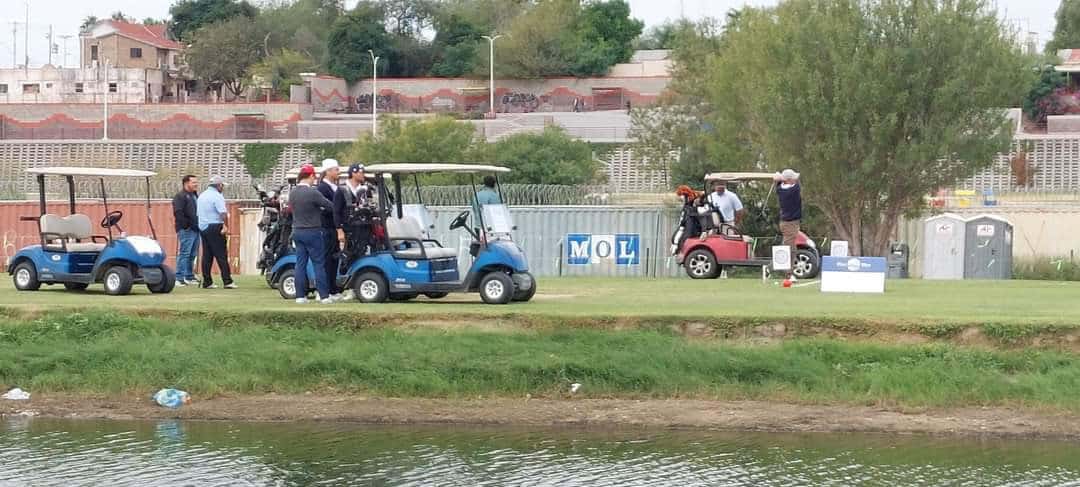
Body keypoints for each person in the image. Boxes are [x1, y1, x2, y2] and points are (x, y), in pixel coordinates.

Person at [291, 164, 337, 304]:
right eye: (314, 177)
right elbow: (330, 206)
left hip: (297, 231)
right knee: (319, 264)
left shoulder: (293, 192)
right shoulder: (313, 192)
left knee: (300, 264)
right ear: (310, 176)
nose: (314, 180)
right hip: (313, 231)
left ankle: (300, 296)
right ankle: (324, 296)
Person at [334, 163, 375, 273]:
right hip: (349, 229)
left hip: (364, 227)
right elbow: (336, 212)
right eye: (361, 172)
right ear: (353, 173)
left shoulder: (365, 189)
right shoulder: (342, 190)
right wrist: (339, 230)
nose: (363, 175)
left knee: (364, 252)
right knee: (349, 254)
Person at [196, 175, 235, 289]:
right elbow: (223, 213)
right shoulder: (217, 196)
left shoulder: (202, 196)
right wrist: (226, 227)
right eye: (222, 186)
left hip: (203, 227)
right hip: (215, 226)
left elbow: (198, 213)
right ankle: (227, 281)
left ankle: (207, 281)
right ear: (219, 185)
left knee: (207, 255)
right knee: (221, 254)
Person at [316, 158, 343, 297]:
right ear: (328, 171)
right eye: (336, 169)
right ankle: (325, 289)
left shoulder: (336, 187)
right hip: (326, 227)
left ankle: (333, 288)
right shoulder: (322, 188)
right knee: (327, 259)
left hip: (334, 227)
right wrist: (337, 209)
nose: (338, 172)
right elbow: (324, 208)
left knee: (334, 258)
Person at [774, 168, 802, 280]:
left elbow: (779, 183)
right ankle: (788, 274)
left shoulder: (780, 189)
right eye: (793, 178)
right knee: (790, 248)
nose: (795, 179)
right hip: (789, 223)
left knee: (789, 247)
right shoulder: (793, 190)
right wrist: (780, 178)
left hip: (788, 222)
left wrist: (778, 178)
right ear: (788, 180)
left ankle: (776, 268)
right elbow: (798, 183)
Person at [171, 175, 200, 287]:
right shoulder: (180, 196)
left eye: (196, 182)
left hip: (196, 229)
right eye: (193, 182)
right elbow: (178, 212)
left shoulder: (194, 195)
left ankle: (189, 276)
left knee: (193, 254)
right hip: (186, 230)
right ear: (186, 183)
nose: (196, 184)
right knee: (184, 253)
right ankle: (178, 277)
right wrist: (186, 226)